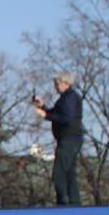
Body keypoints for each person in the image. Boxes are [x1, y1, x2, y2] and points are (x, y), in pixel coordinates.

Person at [33, 71, 84, 206]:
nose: (55, 87)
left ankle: (64, 202)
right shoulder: (65, 99)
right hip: (67, 140)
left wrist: (45, 115)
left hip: (69, 139)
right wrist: (43, 107)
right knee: (69, 172)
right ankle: (74, 202)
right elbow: (55, 113)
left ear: (65, 84)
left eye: (57, 84)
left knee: (59, 172)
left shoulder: (70, 98)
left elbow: (66, 118)